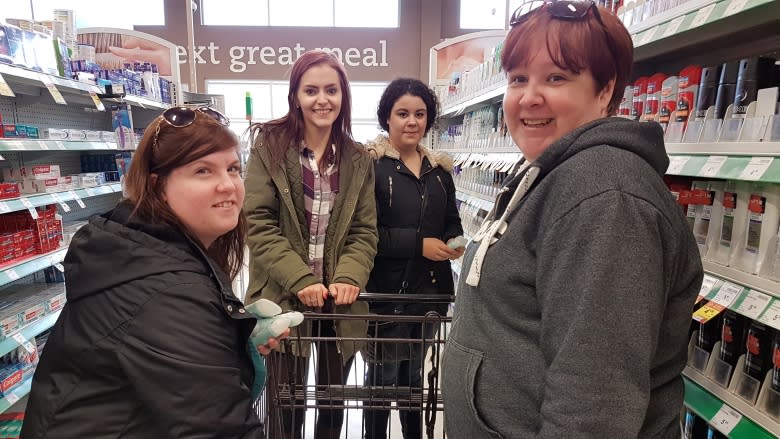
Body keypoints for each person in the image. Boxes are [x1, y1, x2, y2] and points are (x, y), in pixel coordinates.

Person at [441, 2, 703, 438]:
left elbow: (594, 401)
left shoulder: (605, 195)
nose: (529, 97)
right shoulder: (558, 173)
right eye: (518, 79)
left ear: (605, 91)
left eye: (556, 78)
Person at [21, 106, 283, 438]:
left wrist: (225, 344)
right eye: (203, 171)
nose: (228, 185)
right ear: (158, 186)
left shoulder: (143, 251)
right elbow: (220, 429)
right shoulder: (169, 292)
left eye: (233, 169)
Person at [243, 50, 378, 439]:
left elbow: (365, 230)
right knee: (287, 407)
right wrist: (300, 278)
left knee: (333, 405)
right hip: (282, 300)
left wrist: (350, 274)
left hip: (340, 303)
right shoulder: (269, 148)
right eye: (312, 90)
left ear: (343, 96)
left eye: (332, 90)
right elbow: (259, 224)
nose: (323, 99)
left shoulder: (357, 159)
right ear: (296, 96)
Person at [363, 78, 464, 439]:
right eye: (402, 113)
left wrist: (455, 239)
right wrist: (420, 244)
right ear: (386, 118)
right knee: (382, 379)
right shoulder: (372, 168)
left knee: (414, 378)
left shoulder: (440, 171)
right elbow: (366, 235)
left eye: (420, 114)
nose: (412, 121)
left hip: (430, 294)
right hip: (385, 295)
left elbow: (452, 218)